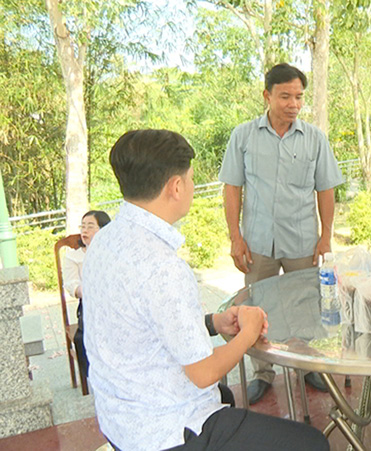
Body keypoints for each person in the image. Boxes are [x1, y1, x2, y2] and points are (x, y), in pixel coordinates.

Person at [82, 129, 329, 451]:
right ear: (176, 187)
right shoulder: (163, 267)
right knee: (311, 444)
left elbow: (139, 326)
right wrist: (247, 332)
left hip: (120, 419)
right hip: (167, 429)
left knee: (227, 399)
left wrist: (214, 322)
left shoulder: (104, 241)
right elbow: (203, 374)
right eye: (191, 179)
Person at [219, 63, 343, 403]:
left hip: (302, 239)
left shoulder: (315, 139)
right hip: (258, 242)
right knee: (257, 306)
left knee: (306, 304)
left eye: (299, 97)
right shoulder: (243, 136)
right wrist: (235, 236)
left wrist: (326, 236)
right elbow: (232, 188)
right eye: (285, 96)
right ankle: (262, 372)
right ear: (267, 96)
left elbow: (326, 189)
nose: (293, 104)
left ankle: (307, 366)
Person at [62, 209, 111, 378]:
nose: (84, 230)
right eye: (83, 226)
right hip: (90, 306)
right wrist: (90, 291)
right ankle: (97, 376)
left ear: (104, 230)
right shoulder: (73, 256)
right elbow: (71, 285)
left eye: (90, 226)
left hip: (115, 303)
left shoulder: (113, 252)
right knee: (86, 338)